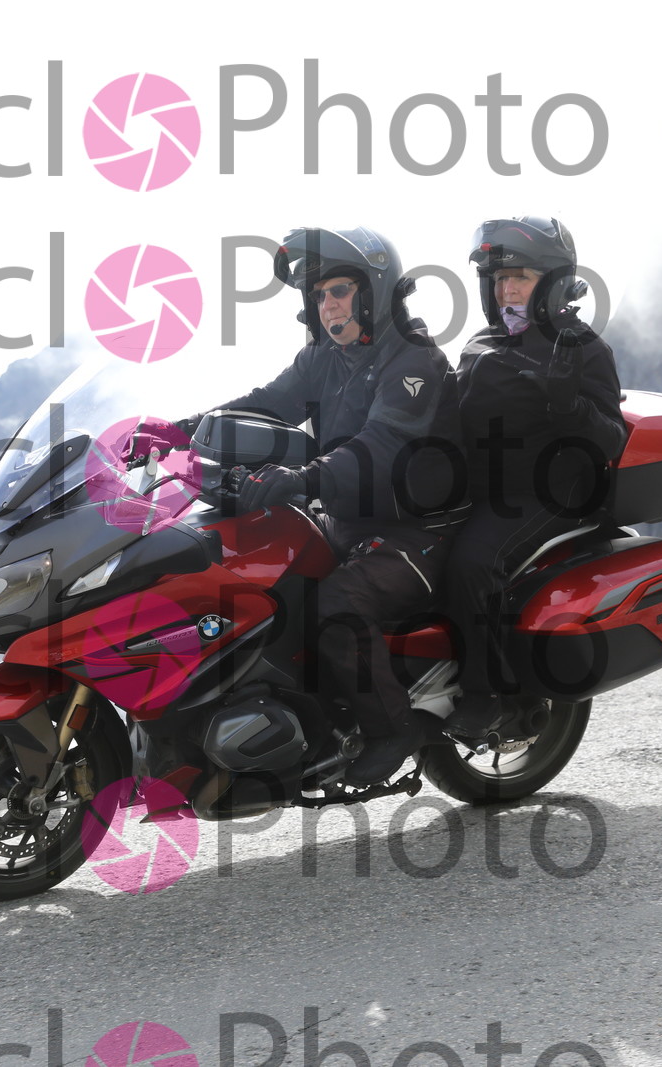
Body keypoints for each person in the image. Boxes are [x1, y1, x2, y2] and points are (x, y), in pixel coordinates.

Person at [160, 227, 467, 787]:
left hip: (418, 531)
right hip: (346, 519)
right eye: (320, 295)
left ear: (373, 291)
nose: (328, 305)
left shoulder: (414, 359)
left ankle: (392, 728)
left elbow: (381, 445)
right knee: (260, 570)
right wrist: (182, 430)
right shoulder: (325, 357)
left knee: (336, 605)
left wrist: (303, 478)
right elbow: (267, 403)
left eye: (340, 290)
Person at [444, 216, 628, 739]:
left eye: (519, 277)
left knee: (472, 563)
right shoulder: (482, 342)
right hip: (484, 485)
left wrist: (568, 405)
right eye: (499, 278)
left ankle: (489, 697)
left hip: (549, 491)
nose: (506, 289)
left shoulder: (583, 347)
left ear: (553, 282)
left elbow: (611, 439)